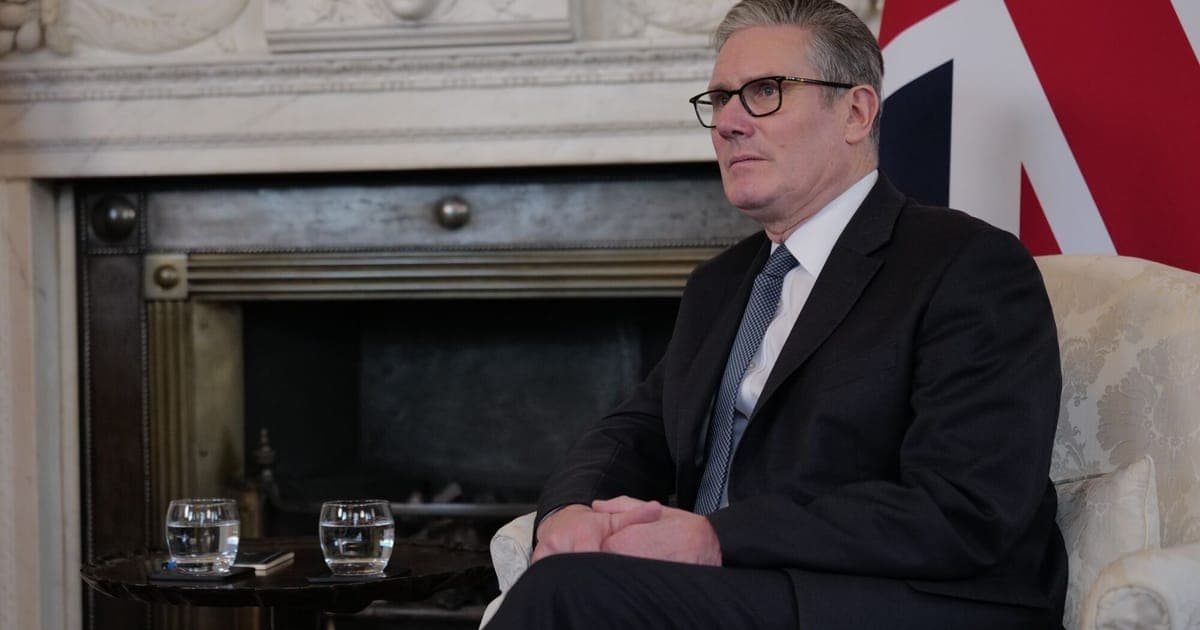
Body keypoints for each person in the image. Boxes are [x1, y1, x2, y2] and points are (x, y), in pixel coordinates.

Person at [486, 0, 1067, 627]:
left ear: (855, 111)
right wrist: (571, 510)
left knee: (569, 595)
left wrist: (718, 538)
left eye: (765, 91)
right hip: (746, 590)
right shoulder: (721, 283)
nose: (729, 122)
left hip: (897, 600)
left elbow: (965, 507)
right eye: (719, 99)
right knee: (573, 575)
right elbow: (637, 431)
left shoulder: (966, 265)